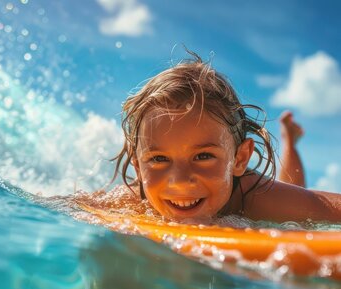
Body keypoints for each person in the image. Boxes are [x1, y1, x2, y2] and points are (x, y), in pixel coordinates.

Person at [111, 52, 341, 224]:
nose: (180, 181)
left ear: (239, 159)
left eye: (202, 156)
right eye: (159, 159)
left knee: (294, 200)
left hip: (254, 194)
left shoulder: (255, 198)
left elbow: (331, 209)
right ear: (139, 168)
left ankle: (289, 140)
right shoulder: (129, 202)